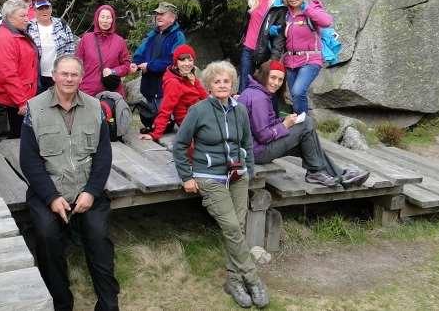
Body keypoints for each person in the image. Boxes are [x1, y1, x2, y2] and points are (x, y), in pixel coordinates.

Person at [20, 55, 119, 311]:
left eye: (74, 74)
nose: (69, 78)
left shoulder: (95, 108)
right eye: (64, 73)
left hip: (87, 190)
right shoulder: (34, 108)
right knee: (46, 235)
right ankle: (61, 301)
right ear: (53, 75)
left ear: (81, 77)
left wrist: (91, 192)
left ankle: (108, 302)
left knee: (99, 237)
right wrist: (52, 198)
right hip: (49, 192)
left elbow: (103, 156)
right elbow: (29, 161)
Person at [172, 61, 269, 309]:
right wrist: (186, 176)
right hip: (209, 176)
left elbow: (247, 143)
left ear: (232, 84)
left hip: (238, 175)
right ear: (209, 85)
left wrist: (249, 170)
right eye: (217, 81)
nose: (222, 85)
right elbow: (180, 145)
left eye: (226, 81)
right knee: (232, 227)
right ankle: (252, 278)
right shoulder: (198, 110)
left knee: (236, 227)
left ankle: (233, 281)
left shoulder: (239, 111)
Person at [238, 60, 369, 187]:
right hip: (257, 152)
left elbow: (262, 125)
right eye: (272, 78)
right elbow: (263, 136)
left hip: (253, 149)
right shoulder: (258, 98)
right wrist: (285, 125)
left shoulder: (255, 92)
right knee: (306, 123)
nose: (276, 83)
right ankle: (316, 172)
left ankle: (340, 174)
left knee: (308, 144)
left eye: (280, 79)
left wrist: (283, 121)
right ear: (263, 75)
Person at [0, 0, 38, 143]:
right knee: (8, 145)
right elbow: (7, 74)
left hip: (18, 97)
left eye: (27, 15)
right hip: (8, 101)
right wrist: (21, 102)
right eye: (22, 16)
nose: (27, 19)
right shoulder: (5, 38)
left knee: (20, 142)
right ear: (9, 17)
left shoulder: (18, 33)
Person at [130, 1, 186, 132]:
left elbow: (174, 62)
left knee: (165, 120)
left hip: (165, 86)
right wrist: (135, 64)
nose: (158, 17)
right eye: (157, 14)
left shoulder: (178, 37)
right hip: (149, 85)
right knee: (151, 118)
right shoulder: (152, 35)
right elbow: (139, 53)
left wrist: (150, 66)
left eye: (162, 14)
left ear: (172, 18)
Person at [281, 0, 333, 114]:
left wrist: (307, 9)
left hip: (310, 60)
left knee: (298, 91)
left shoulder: (312, 7)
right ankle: (302, 123)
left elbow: (327, 21)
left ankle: (304, 125)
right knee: (294, 95)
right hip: (291, 61)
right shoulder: (287, 14)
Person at [139, 44, 207, 142]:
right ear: (175, 62)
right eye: (182, 60)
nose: (187, 64)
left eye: (190, 60)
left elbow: (205, 97)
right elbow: (166, 109)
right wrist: (155, 134)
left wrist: (194, 82)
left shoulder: (187, 75)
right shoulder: (173, 82)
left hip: (201, 116)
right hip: (191, 123)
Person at [75, 4, 132, 97]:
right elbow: (76, 64)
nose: (105, 20)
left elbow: (126, 66)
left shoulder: (119, 41)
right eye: (102, 17)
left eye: (108, 17)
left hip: (111, 92)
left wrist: (113, 71)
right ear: (97, 18)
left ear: (113, 20)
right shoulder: (86, 39)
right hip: (87, 91)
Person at [27, 0, 76, 91]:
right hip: (37, 76)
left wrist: (66, 68)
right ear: (35, 10)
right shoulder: (28, 27)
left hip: (59, 74)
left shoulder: (61, 25)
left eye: (47, 7)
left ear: (51, 8)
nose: (44, 11)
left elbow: (70, 48)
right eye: (40, 8)